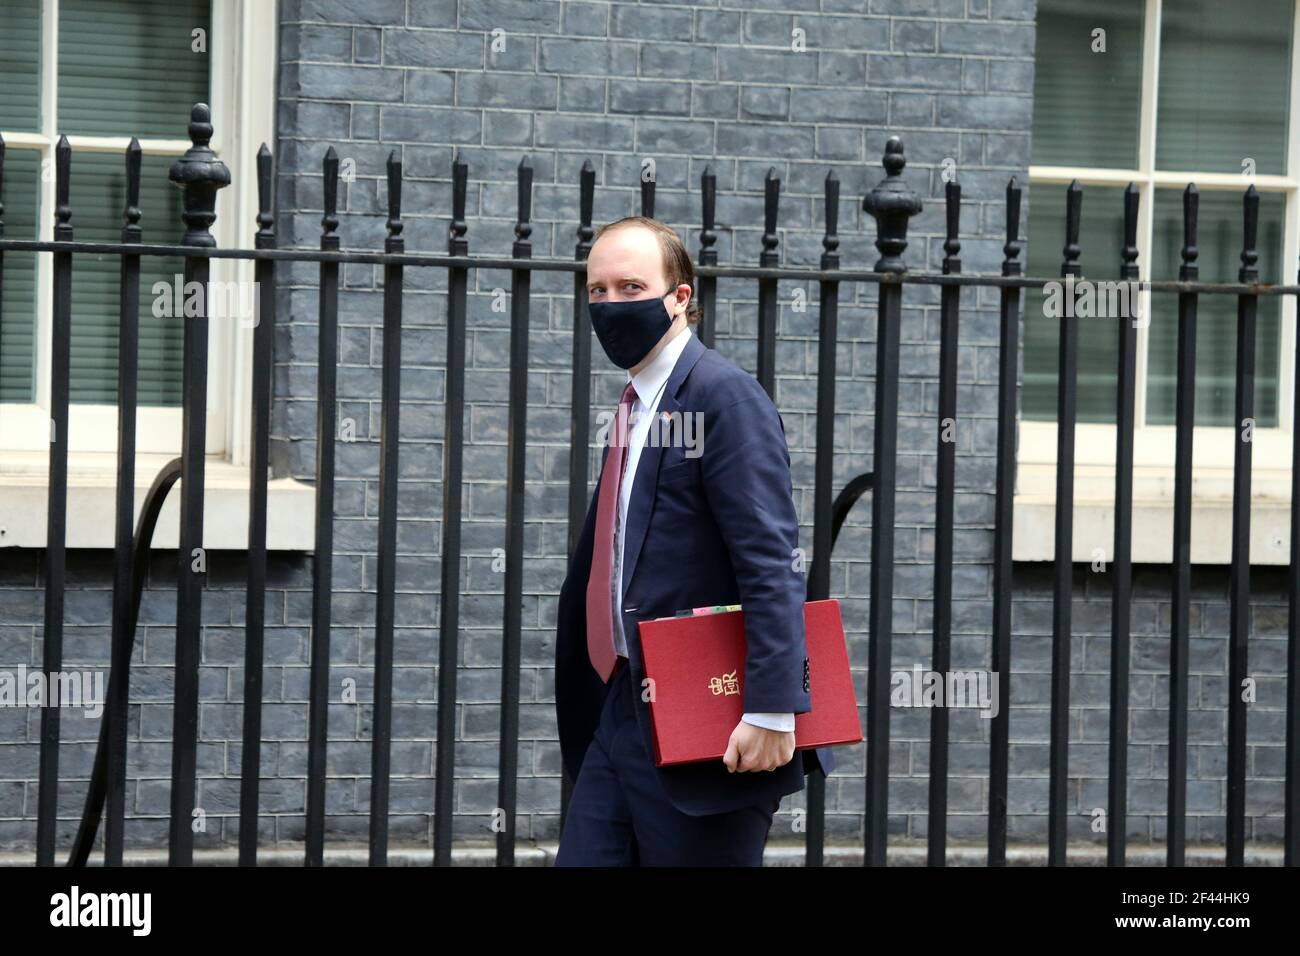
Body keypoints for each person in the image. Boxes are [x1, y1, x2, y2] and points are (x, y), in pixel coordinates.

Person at [553, 216, 834, 866]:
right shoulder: (633, 408)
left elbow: (770, 559)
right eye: (597, 291)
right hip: (620, 711)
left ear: (680, 297)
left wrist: (772, 709)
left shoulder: (724, 398)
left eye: (630, 287)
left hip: (705, 720)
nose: (610, 306)